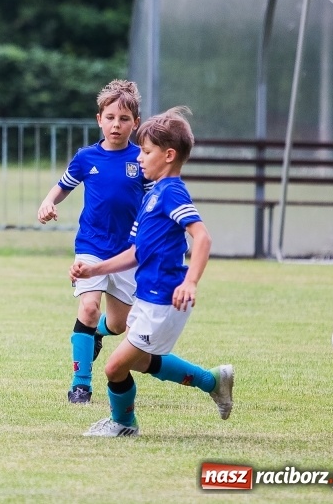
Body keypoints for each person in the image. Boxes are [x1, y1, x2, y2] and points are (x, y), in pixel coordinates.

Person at [70, 106, 233, 437]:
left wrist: (191, 281)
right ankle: (213, 381)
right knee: (143, 362)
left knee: (115, 367)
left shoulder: (172, 193)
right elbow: (135, 252)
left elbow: (202, 237)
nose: (140, 158)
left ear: (169, 155)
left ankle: (123, 424)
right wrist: (95, 269)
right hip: (147, 297)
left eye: (146, 152)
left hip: (162, 300)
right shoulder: (152, 195)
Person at [37, 79, 152, 404]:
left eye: (124, 119)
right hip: (91, 245)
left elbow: (148, 204)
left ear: (136, 123)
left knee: (117, 325)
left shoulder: (141, 160)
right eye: (110, 117)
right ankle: (80, 384)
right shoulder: (87, 157)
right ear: (99, 119)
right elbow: (63, 185)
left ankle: (98, 334)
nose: (116, 124)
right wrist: (49, 202)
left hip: (127, 254)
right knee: (88, 308)